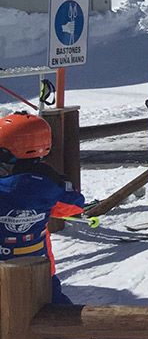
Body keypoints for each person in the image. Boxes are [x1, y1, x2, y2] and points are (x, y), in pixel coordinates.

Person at [0, 112, 85, 306]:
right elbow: (74, 206)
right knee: (60, 316)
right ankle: (74, 337)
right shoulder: (49, 184)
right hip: (40, 273)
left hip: (5, 271)